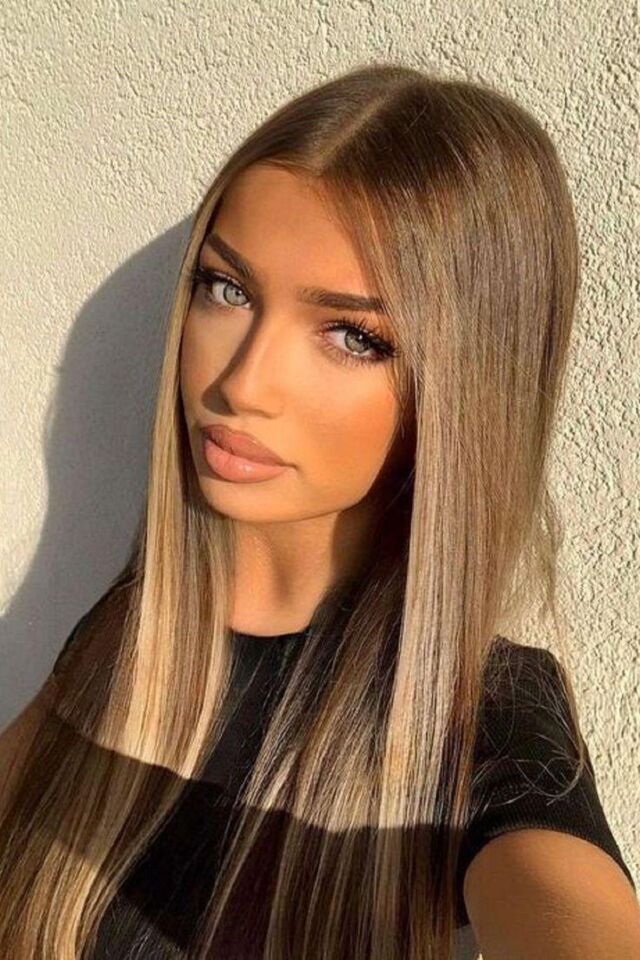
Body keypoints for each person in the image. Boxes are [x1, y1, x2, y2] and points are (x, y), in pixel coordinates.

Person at [0, 62, 638, 960]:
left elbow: (572, 916)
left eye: (353, 336)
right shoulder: (131, 632)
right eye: (227, 290)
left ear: (465, 390)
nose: (242, 383)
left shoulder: (480, 718)